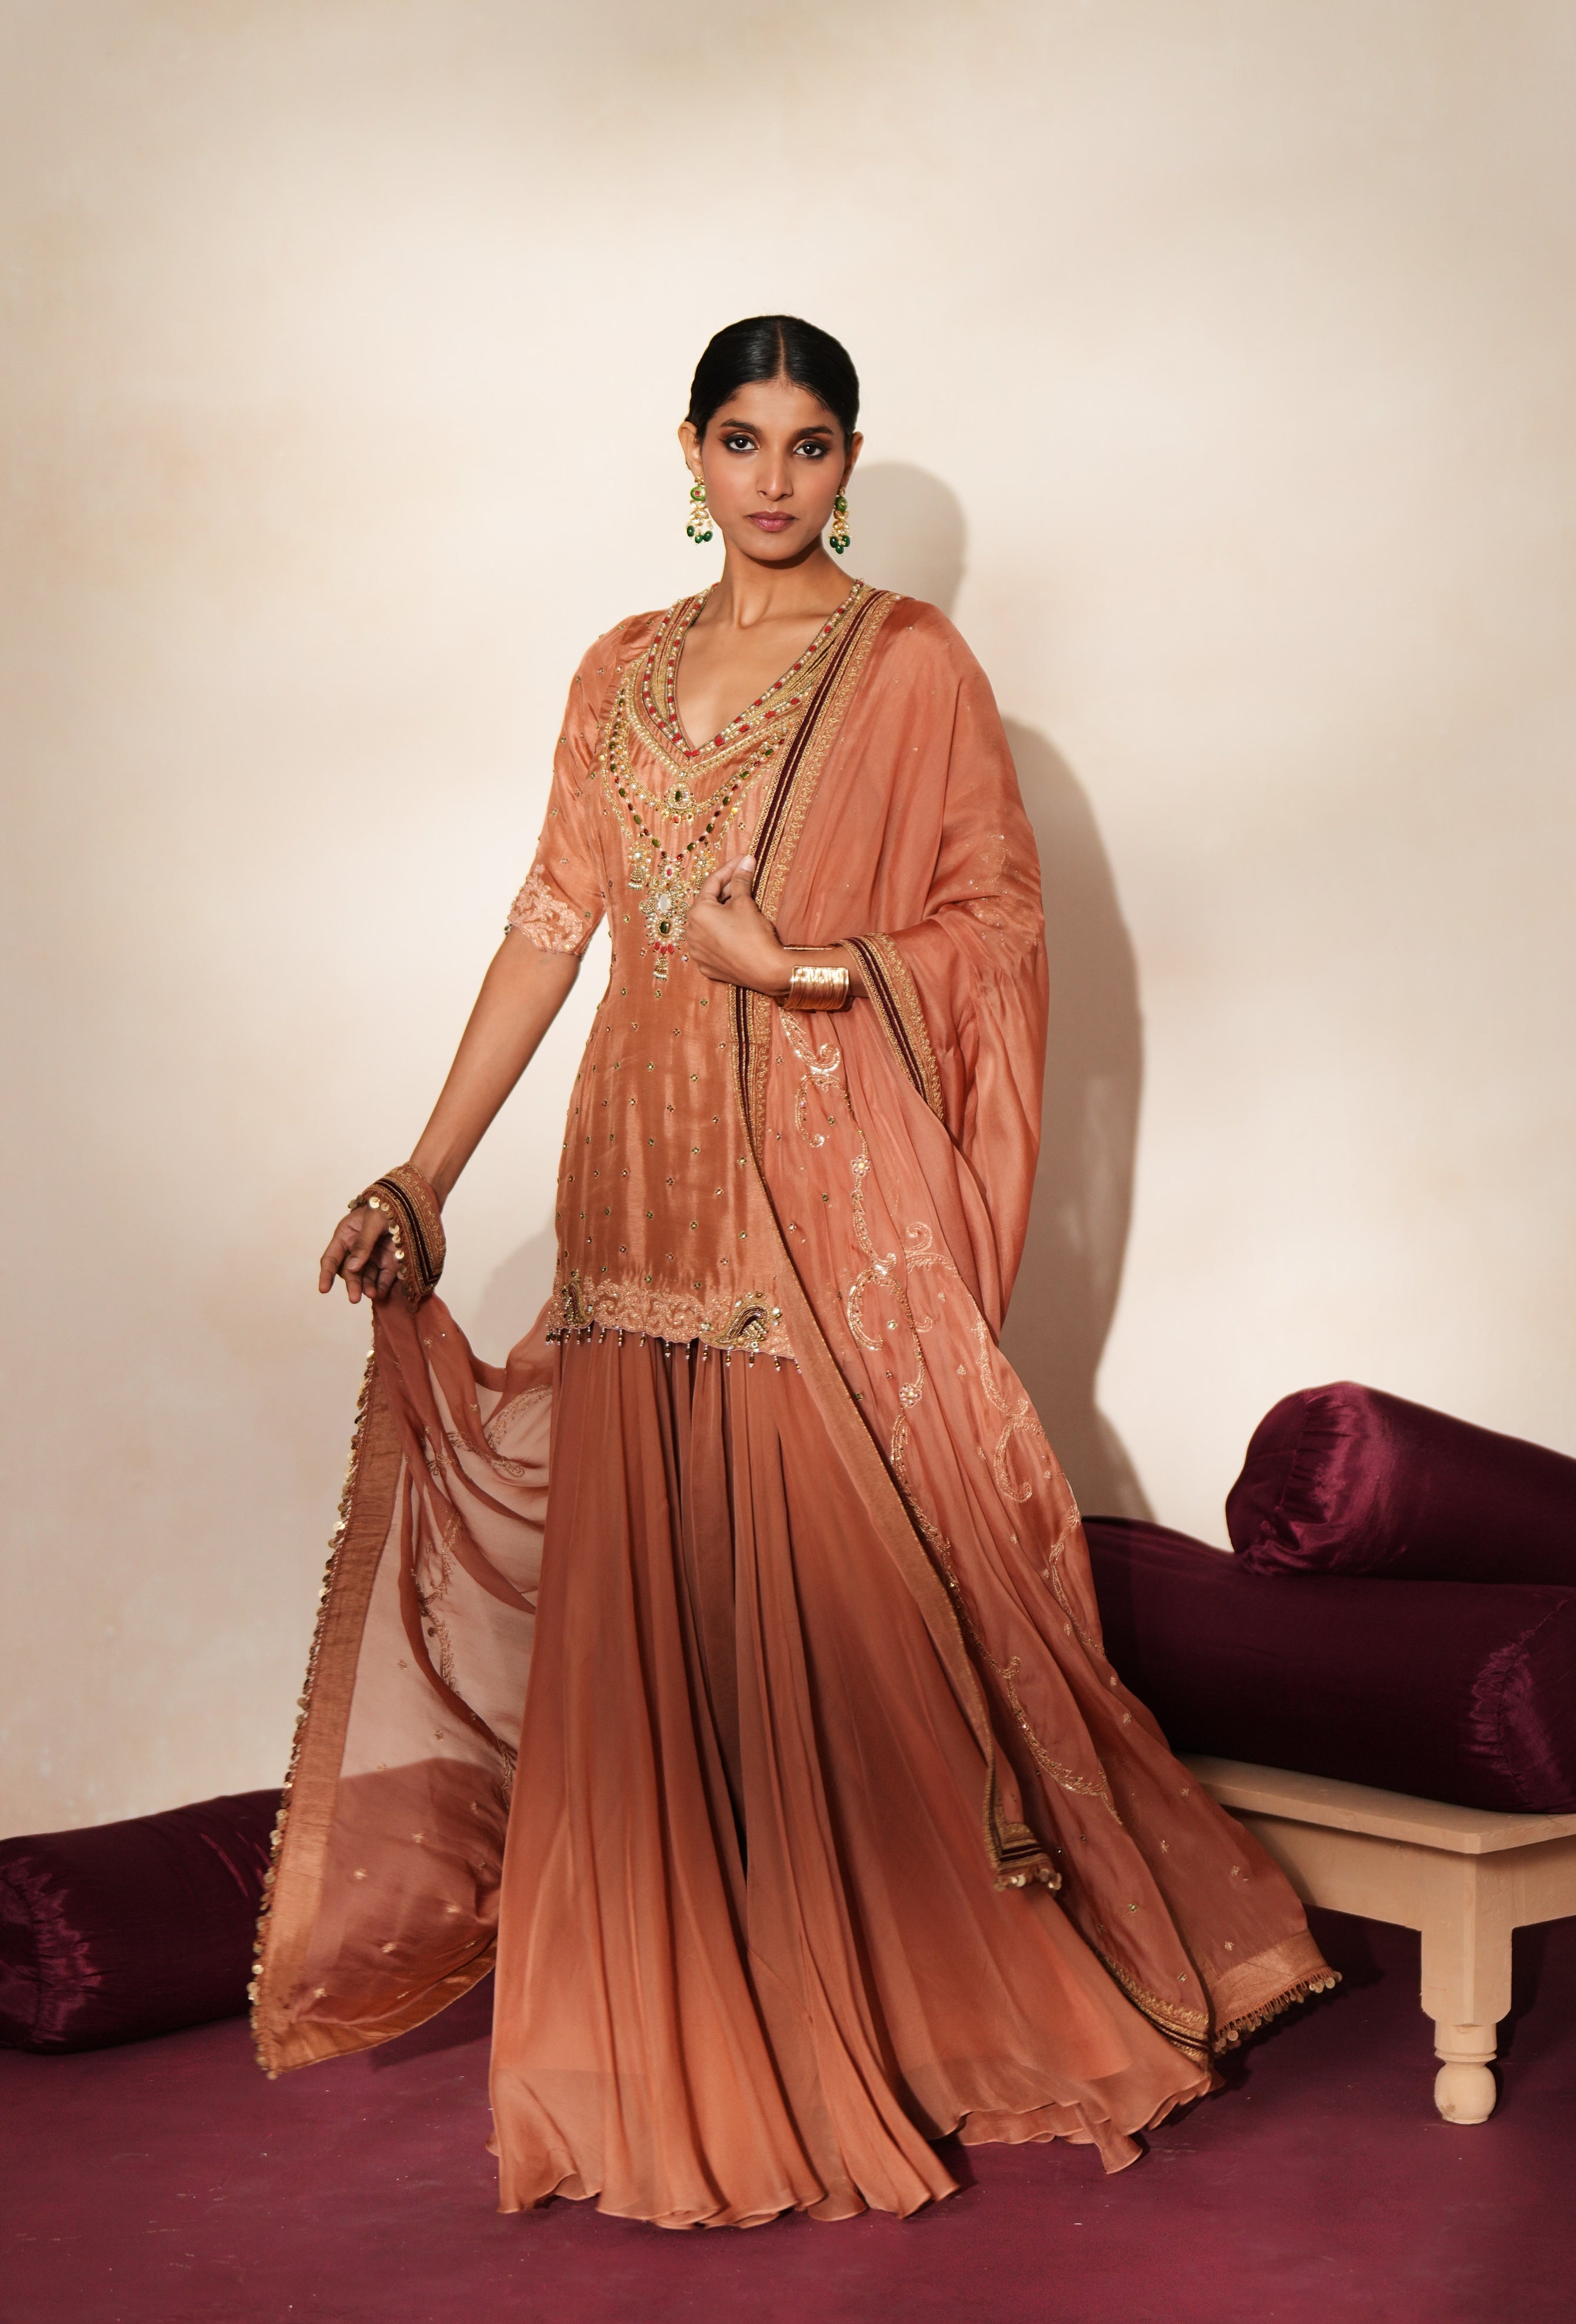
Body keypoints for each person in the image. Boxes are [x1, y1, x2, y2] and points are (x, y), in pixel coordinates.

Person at [252, 315, 1334, 2229]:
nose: (772, 478)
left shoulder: (911, 663)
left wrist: (805, 974)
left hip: (819, 1203)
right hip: (638, 1187)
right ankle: (669, 2012)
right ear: (687, 452)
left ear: (848, 460)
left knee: (852, 1600)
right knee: (657, 1621)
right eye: (739, 440)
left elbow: (997, 926)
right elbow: (547, 924)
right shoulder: (617, 670)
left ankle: (893, 1993)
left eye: (810, 444)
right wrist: (424, 1168)